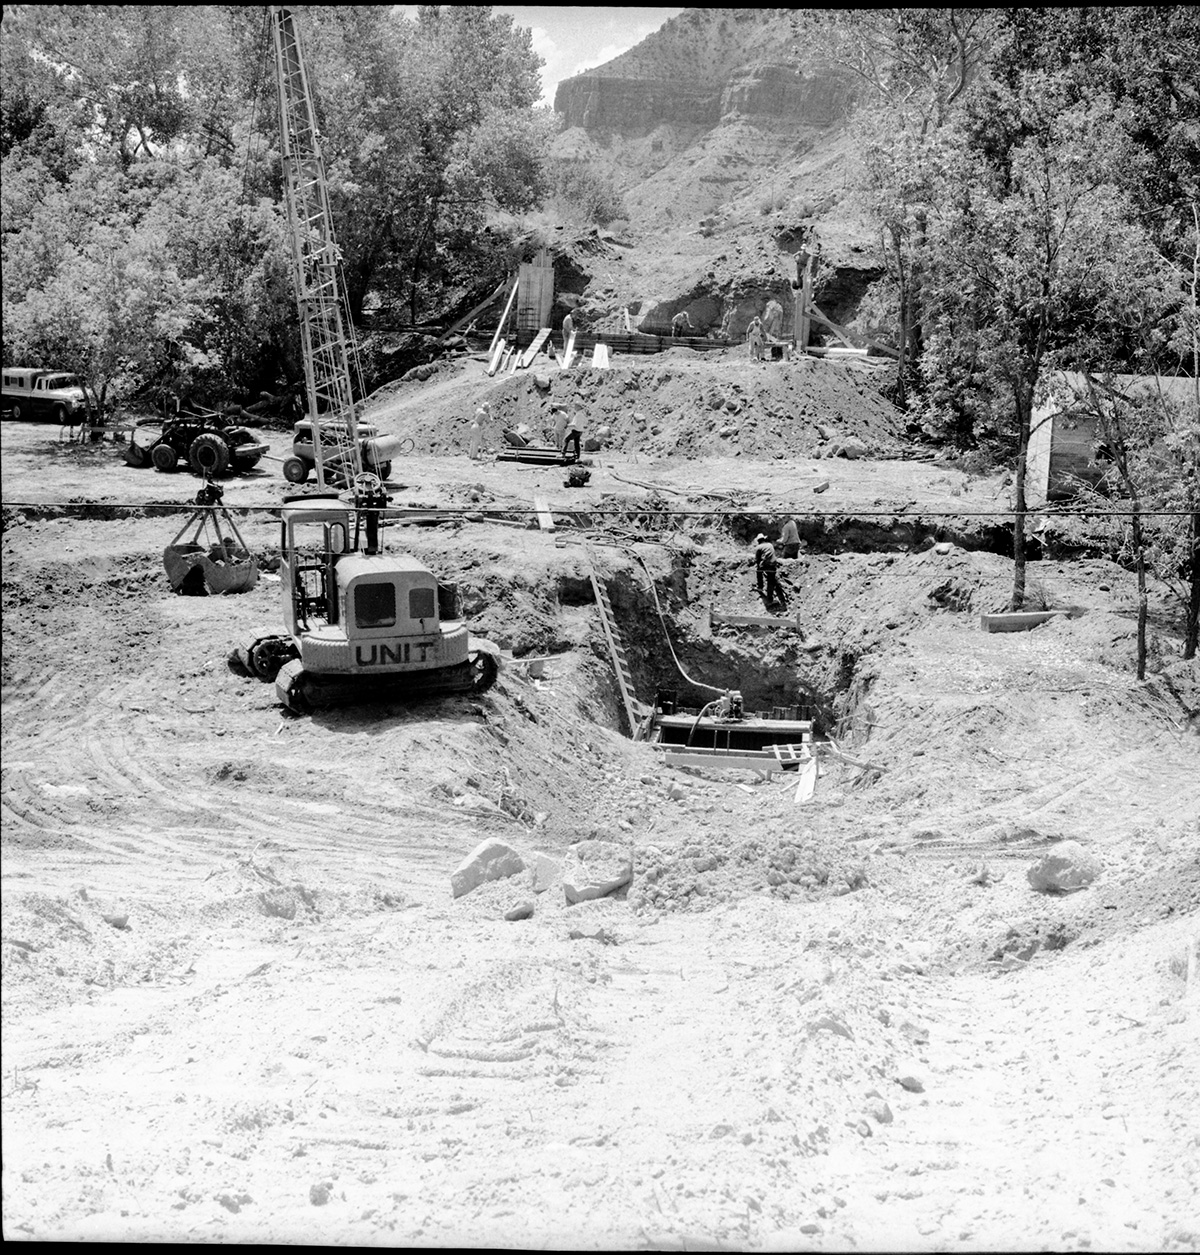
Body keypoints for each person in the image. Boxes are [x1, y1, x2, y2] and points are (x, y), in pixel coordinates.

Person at [753, 533, 788, 609]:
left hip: (765, 565)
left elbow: (757, 559)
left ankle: (760, 587)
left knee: (759, 571)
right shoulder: (770, 545)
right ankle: (770, 598)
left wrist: (759, 564)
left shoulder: (758, 547)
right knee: (771, 581)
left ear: (758, 541)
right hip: (773, 565)